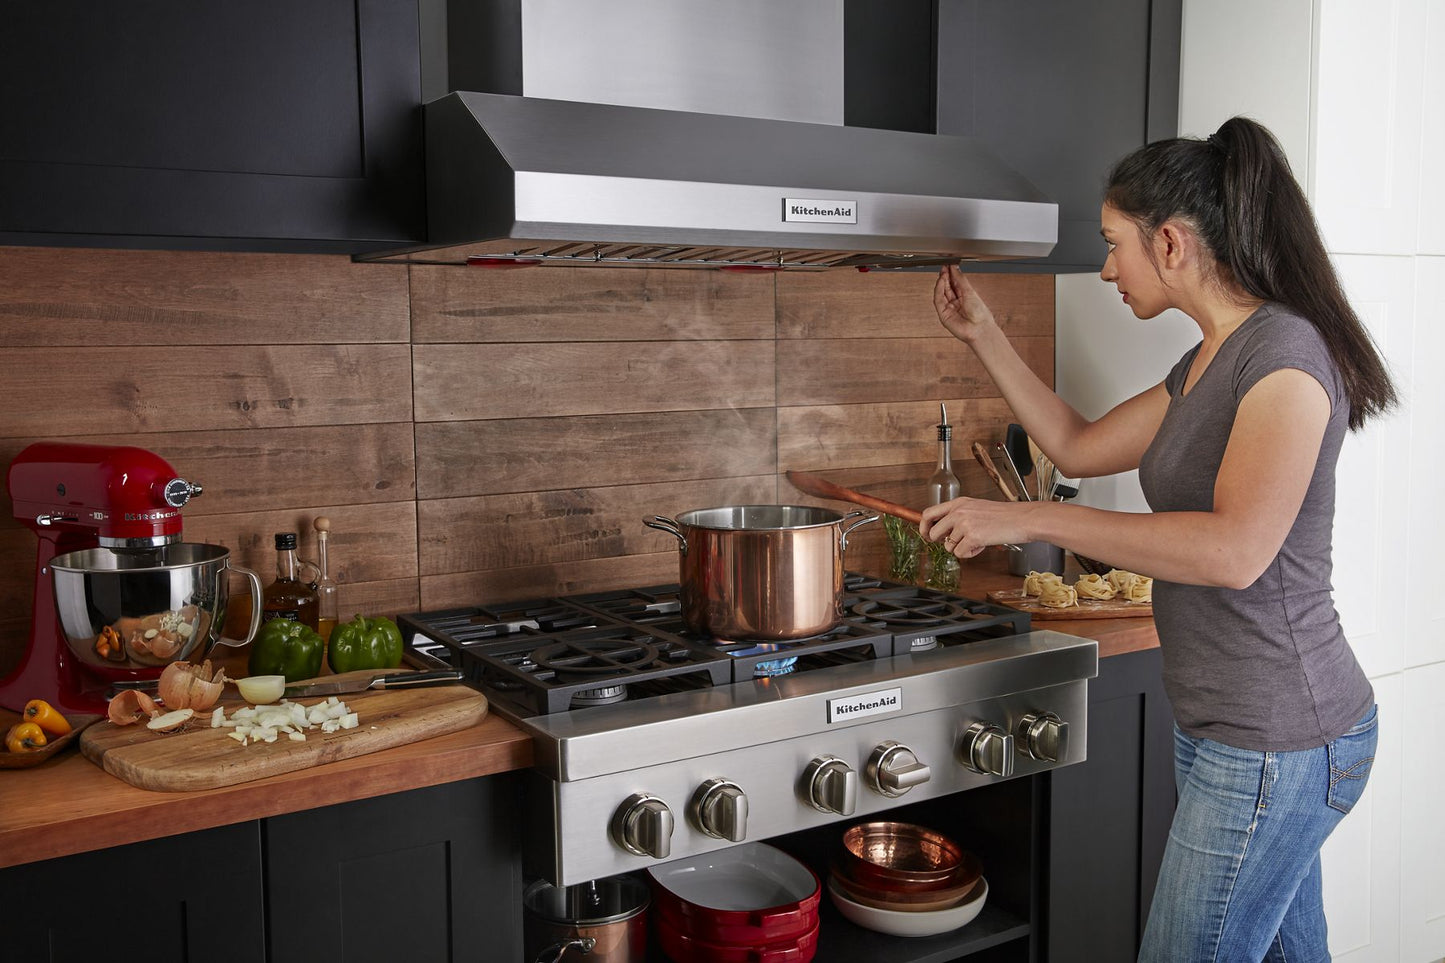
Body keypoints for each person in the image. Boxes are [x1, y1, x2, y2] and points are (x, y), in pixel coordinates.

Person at [920, 116, 1393, 962]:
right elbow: (1076, 445)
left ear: (1169, 242)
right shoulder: (1209, 359)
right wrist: (981, 331)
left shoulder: (1284, 358)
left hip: (1278, 737)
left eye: (1113, 245)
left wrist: (1030, 516)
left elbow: (1232, 552)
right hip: (1225, 727)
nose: (1105, 268)